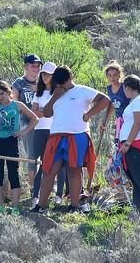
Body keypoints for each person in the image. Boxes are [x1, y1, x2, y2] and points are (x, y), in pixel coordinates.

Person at [35, 66, 111, 213]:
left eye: (64, 82)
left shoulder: (82, 90)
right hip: (56, 136)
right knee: (49, 170)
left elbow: (105, 100)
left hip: (77, 135)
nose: (63, 86)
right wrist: (55, 96)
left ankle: (74, 206)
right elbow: (46, 113)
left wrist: (89, 114)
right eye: (59, 83)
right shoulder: (55, 93)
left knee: (74, 170)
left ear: (70, 78)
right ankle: (41, 206)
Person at [0, 81, 38, 215]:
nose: (0, 97)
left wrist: (23, 132)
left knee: (13, 173)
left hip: (12, 141)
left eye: (2, 93)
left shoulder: (17, 105)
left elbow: (35, 119)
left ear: (8, 92)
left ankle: (15, 206)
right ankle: (0, 206)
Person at [29, 62, 68, 209]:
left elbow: (54, 111)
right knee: (40, 162)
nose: (45, 77)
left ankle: (59, 195)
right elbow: (34, 112)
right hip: (39, 130)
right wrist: (46, 110)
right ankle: (36, 195)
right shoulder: (37, 93)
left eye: (49, 74)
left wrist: (44, 110)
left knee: (59, 163)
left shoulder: (58, 92)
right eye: (43, 74)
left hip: (55, 130)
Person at [118, 75, 140, 216]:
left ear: (128, 87)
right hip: (131, 145)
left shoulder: (139, 101)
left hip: (135, 145)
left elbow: (137, 123)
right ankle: (138, 211)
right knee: (136, 182)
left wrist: (128, 143)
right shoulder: (136, 101)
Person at [12, 54, 43, 192]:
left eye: (38, 66)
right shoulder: (19, 83)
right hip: (27, 124)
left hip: (45, 123)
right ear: (25, 67)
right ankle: (33, 188)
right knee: (32, 157)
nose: (35, 68)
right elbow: (14, 102)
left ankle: (46, 187)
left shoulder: (43, 81)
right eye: (32, 65)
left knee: (46, 155)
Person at [100, 60, 129, 142]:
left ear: (119, 75)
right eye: (110, 75)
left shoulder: (124, 87)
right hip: (119, 120)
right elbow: (112, 106)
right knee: (118, 142)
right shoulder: (109, 89)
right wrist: (105, 122)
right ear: (107, 77)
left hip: (129, 119)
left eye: (115, 75)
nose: (112, 78)